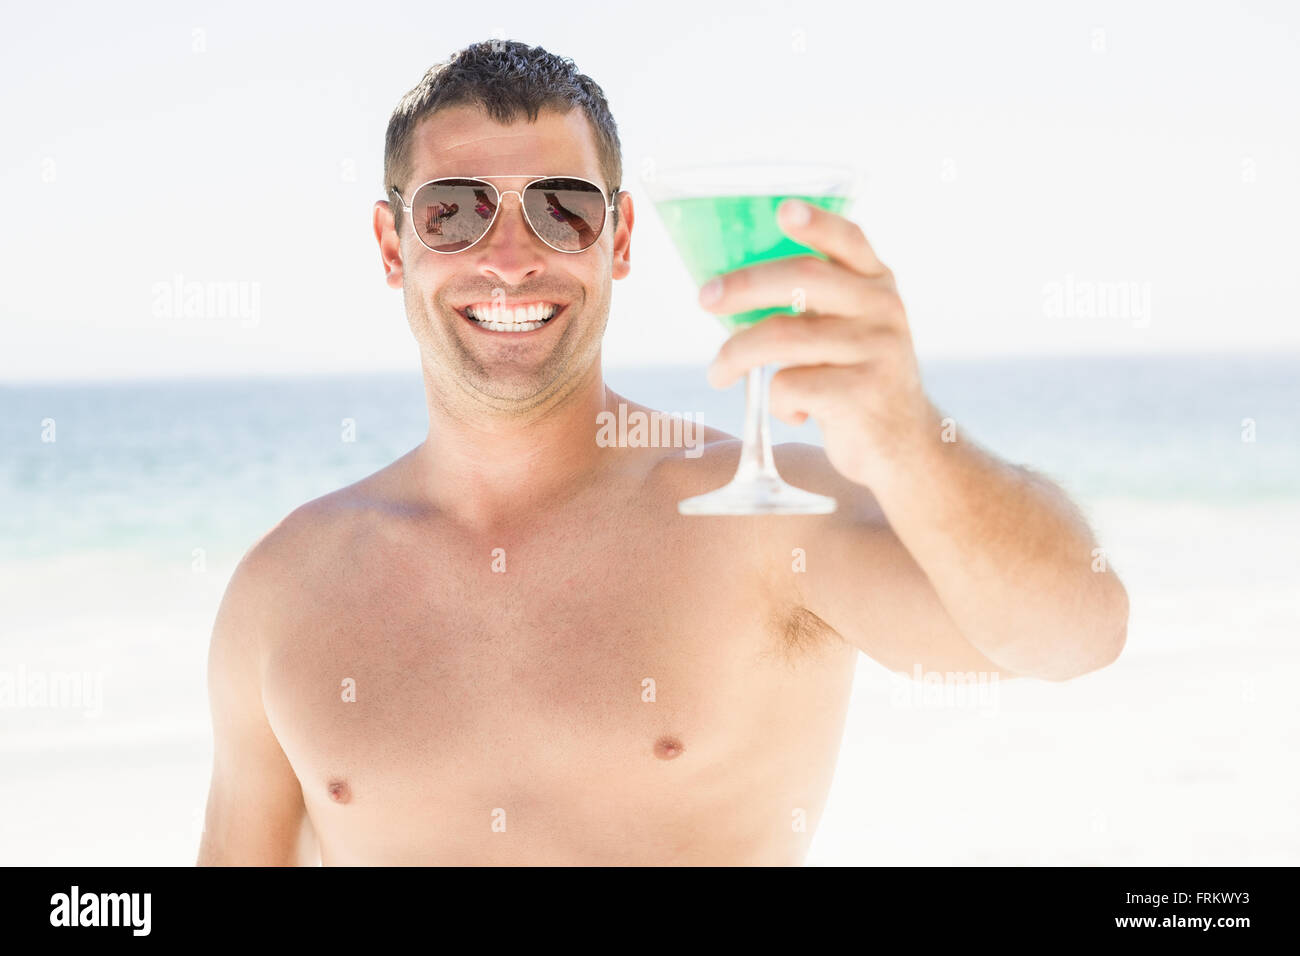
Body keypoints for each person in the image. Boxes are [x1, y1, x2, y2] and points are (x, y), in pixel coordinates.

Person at [197, 40, 1128, 866]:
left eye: (562, 209)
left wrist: (909, 439)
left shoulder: (764, 521)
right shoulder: (285, 587)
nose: (513, 257)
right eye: (454, 213)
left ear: (623, 237)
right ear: (393, 244)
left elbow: (1073, 635)